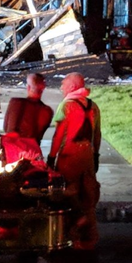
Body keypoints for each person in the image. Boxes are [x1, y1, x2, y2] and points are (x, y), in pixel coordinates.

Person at [48, 72, 102, 250]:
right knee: (88, 193)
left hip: (69, 156)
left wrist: (51, 157)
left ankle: (73, 230)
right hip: (87, 154)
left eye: (63, 84)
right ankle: (88, 237)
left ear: (72, 87)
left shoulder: (67, 105)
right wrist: (95, 156)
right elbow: (97, 135)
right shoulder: (93, 106)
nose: (61, 87)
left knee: (68, 191)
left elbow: (59, 135)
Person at [3, 72, 54, 143]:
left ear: (28, 87)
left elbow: (7, 129)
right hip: (33, 150)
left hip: (15, 149)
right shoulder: (47, 111)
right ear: (43, 88)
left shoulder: (16, 104)